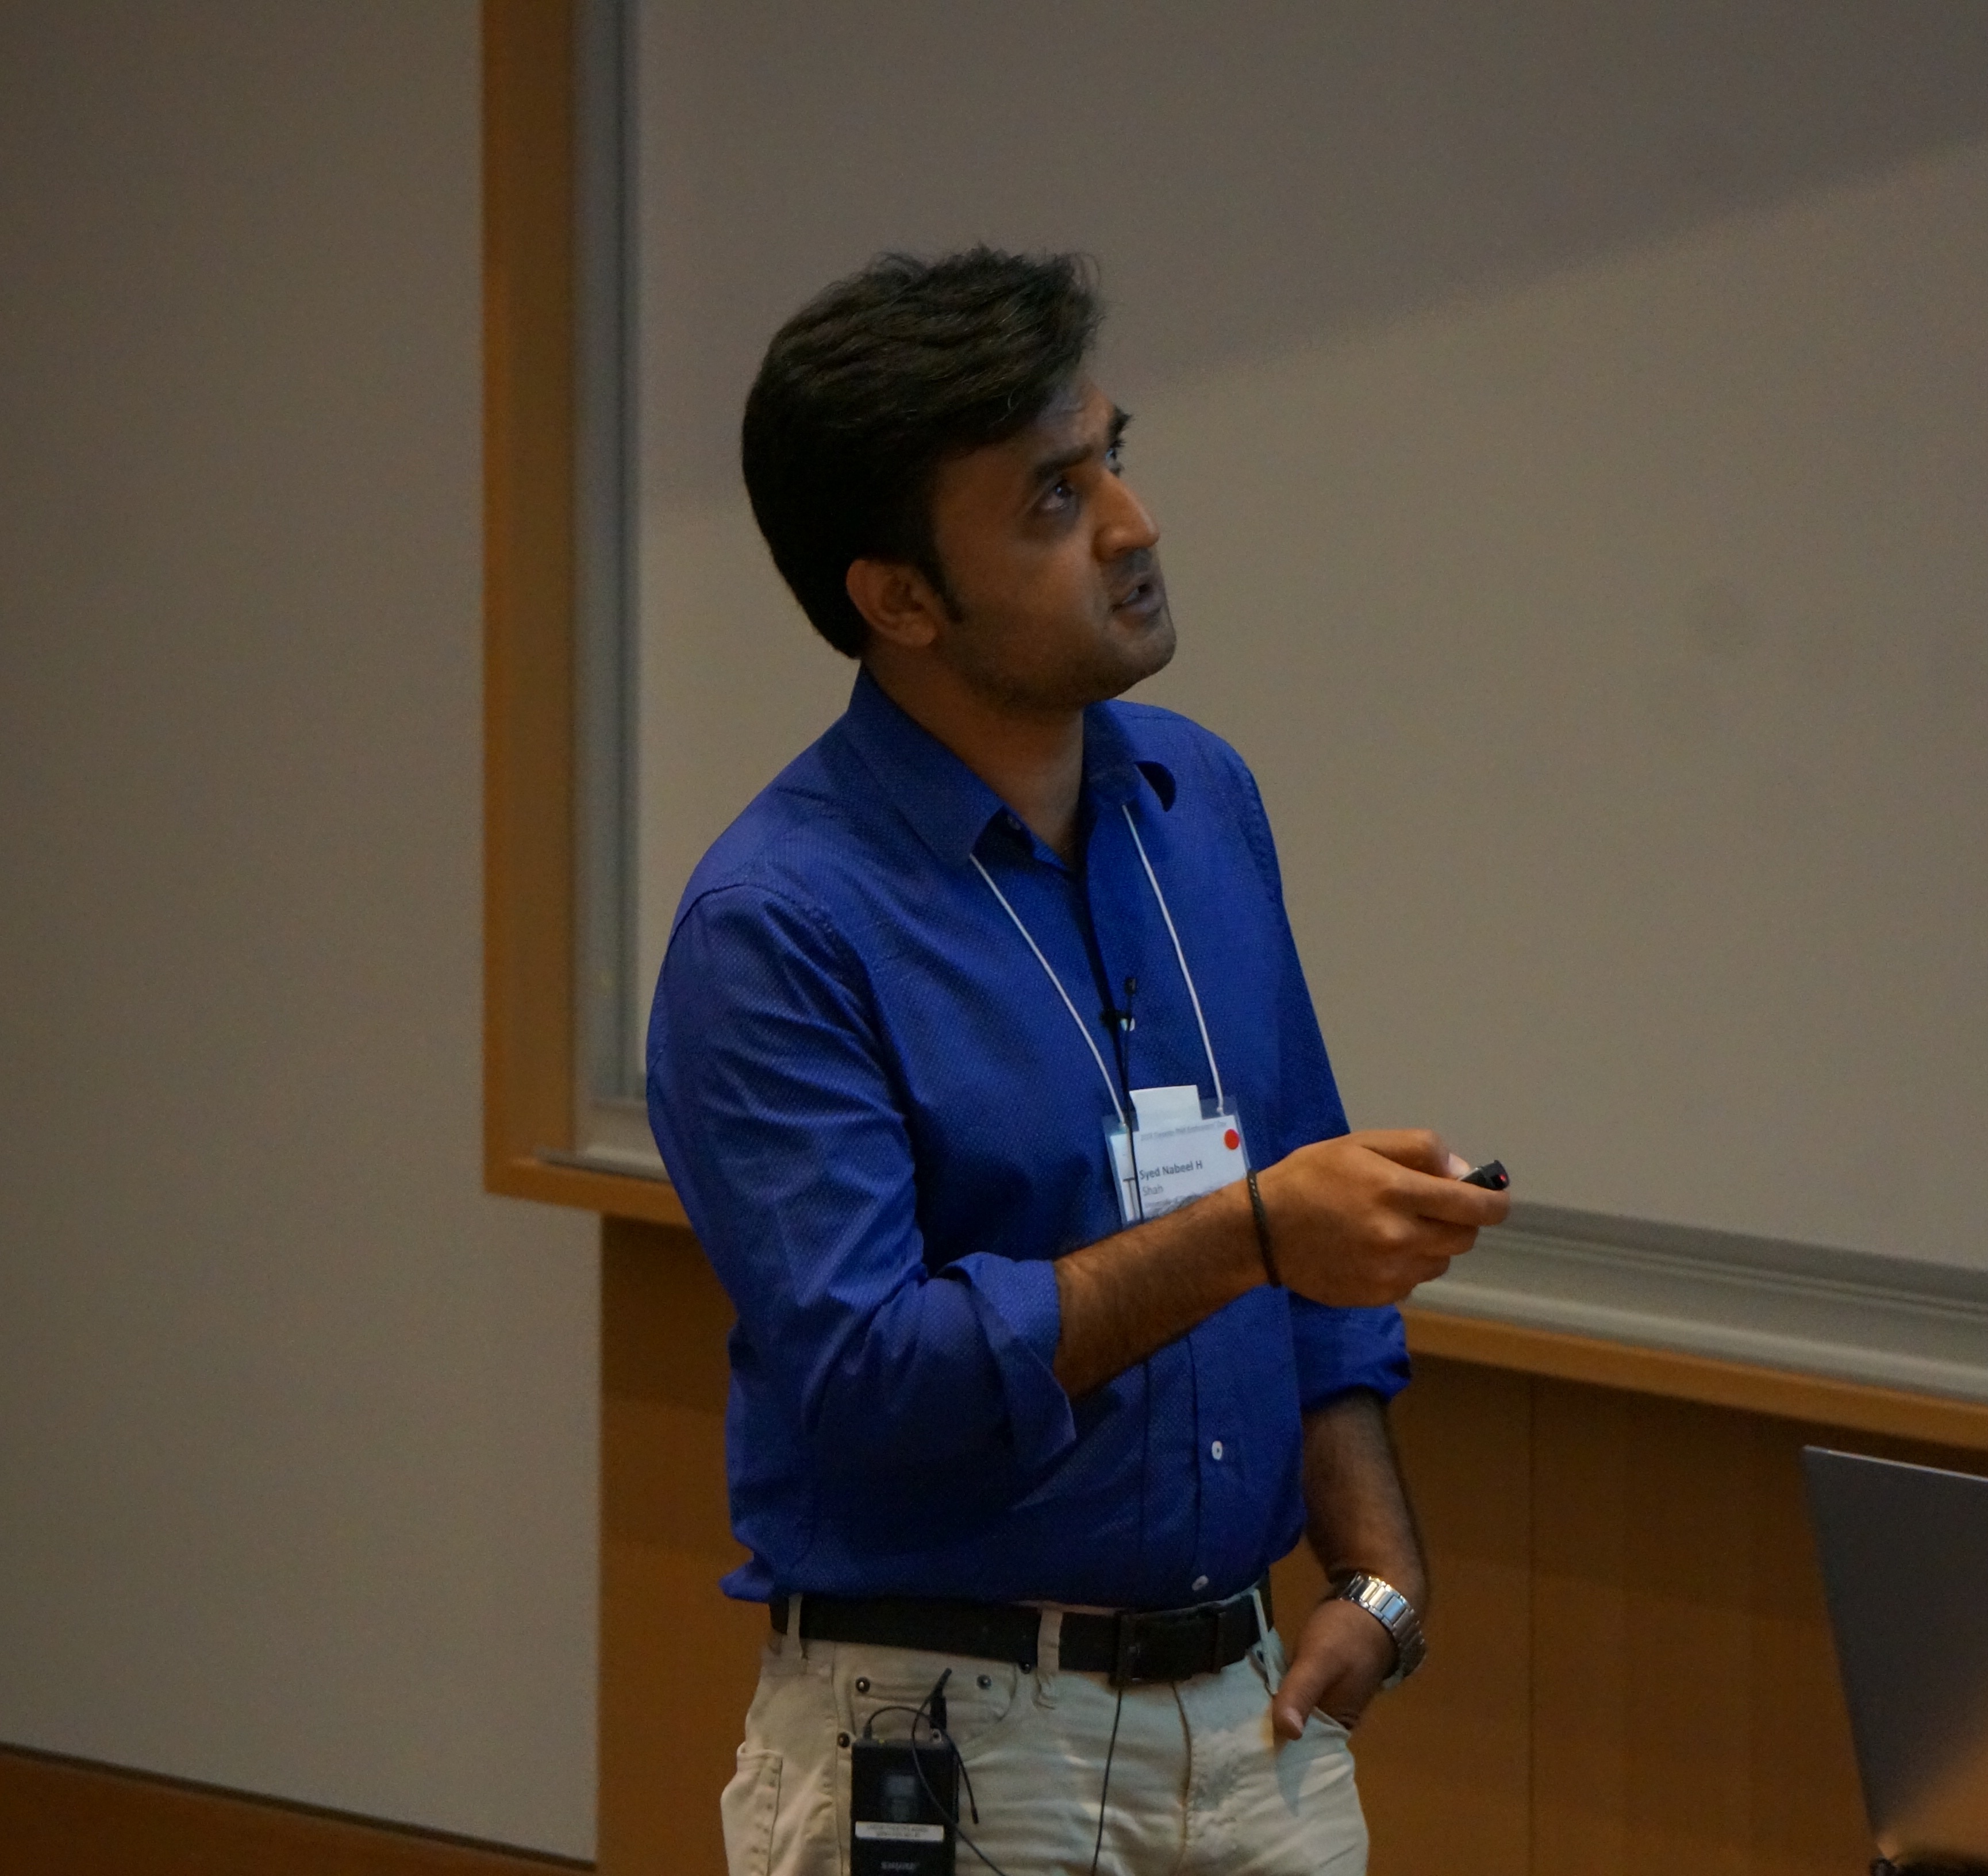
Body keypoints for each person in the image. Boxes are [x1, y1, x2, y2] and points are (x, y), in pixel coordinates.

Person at [647, 248, 1510, 1876]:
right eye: (1055, 497)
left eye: (1114, 456)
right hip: (954, 1738)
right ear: (900, 600)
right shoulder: (779, 923)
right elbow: (874, 1377)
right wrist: (1249, 1236)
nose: (1133, 523)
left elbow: (1316, 1235)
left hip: (1255, 1723)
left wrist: (1381, 1578)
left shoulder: (1201, 801)